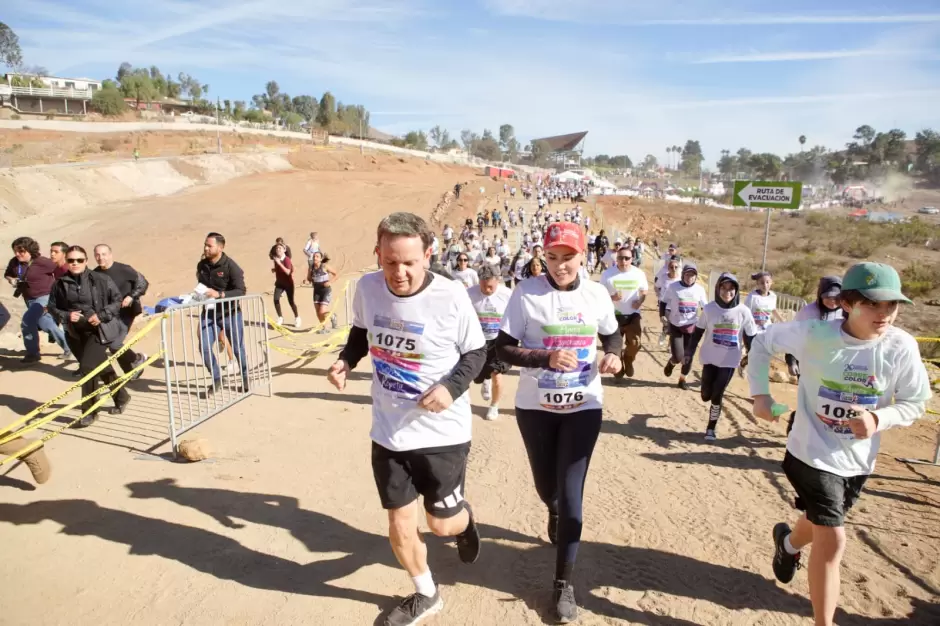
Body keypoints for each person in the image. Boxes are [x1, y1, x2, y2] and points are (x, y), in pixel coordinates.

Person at [747, 262, 931, 626]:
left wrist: (879, 419)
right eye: (873, 304)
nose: (884, 314)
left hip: (857, 461)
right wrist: (760, 395)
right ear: (846, 303)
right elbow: (763, 342)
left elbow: (915, 402)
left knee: (820, 522)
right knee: (833, 538)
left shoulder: (901, 347)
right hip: (808, 452)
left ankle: (787, 545)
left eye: (891, 306)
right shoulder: (815, 334)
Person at [326, 212, 487, 626]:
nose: (398, 273)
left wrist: (450, 389)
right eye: (390, 261)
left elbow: (476, 354)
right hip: (389, 429)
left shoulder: (451, 296)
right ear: (378, 253)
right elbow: (361, 333)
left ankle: (464, 522)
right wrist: (345, 361)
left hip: (442, 432)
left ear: (428, 255)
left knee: (441, 525)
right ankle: (426, 593)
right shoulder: (367, 287)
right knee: (399, 521)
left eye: (409, 263)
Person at [494, 221, 622, 622]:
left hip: (584, 405)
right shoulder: (526, 293)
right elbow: (503, 349)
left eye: (568, 258)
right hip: (536, 407)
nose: (560, 266)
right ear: (543, 257)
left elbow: (612, 335)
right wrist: (543, 357)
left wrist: (614, 356)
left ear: (583, 256)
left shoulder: (597, 294)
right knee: (546, 488)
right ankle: (552, 506)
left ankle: (563, 585)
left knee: (572, 498)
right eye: (552, 258)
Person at [48, 246, 131, 426]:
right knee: (99, 367)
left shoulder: (101, 279)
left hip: (98, 332)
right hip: (75, 334)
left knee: (87, 368)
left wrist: (100, 316)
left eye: (79, 260)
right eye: (71, 260)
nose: (75, 263)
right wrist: (66, 316)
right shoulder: (60, 284)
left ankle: (90, 412)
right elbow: (52, 307)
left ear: (86, 261)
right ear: (67, 262)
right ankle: (122, 396)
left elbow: (117, 300)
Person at [683, 273, 757, 440]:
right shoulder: (709, 309)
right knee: (705, 395)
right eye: (723, 288)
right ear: (717, 289)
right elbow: (697, 334)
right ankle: (708, 403)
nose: (727, 292)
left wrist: (752, 356)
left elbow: (751, 338)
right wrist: (689, 353)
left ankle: (711, 428)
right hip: (709, 357)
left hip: (729, 360)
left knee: (717, 394)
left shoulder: (744, 312)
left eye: (731, 289)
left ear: (736, 291)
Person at [4, 237, 72, 364]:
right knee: (47, 325)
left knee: (27, 320)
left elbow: (63, 270)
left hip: (45, 296)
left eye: (21, 251)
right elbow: (7, 274)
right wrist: (11, 279)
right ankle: (69, 348)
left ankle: (32, 353)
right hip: (29, 299)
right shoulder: (14, 262)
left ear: (30, 250)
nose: (18, 254)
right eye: (15, 251)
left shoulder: (43, 262)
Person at [196, 233, 249, 391]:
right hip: (209, 314)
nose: (206, 248)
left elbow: (241, 290)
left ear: (220, 247)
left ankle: (245, 376)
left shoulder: (232, 267)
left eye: (209, 246)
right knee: (204, 347)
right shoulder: (202, 266)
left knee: (238, 348)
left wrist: (220, 295)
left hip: (230, 314)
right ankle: (217, 378)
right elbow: (201, 285)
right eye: (205, 245)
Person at [93, 244, 150, 378]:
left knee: (115, 344)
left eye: (104, 254)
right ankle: (131, 371)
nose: (101, 258)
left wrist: (131, 296)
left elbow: (143, 283)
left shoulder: (124, 269)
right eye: (97, 255)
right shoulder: (95, 274)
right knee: (111, 343)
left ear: (110, 254)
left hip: (126, 312)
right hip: (109, 314)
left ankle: (137, 359)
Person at [467, 264, 512, 421]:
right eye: (483, 286)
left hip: (499, 340)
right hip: (477, 341)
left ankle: (494, 406)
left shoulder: (507, 295)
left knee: (497, 375)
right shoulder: (469, 294)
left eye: (490, 286)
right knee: (476, 375)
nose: (487, 290)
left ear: (498, 281)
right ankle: (485, 380)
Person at [600, 245, 648, 378]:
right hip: (613, 315)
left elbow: (644, 291)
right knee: (615, 345)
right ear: (617, 258)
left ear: (632, 259)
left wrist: (640, 301)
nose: (624, 261)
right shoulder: (607, 274)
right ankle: (618, 362)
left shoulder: (639, 273)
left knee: (635, 343)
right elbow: (599, 295)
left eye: (627, 258)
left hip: (633, 315)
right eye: (621, 258)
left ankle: (628, 359)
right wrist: (612, 298)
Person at [660, 263, 708, 390]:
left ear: (696, 277)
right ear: (683, 275)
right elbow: (663, 301)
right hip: (676, 325)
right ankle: (671, 362)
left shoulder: (700, 290)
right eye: (687, 274)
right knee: (678, 356)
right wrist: (662, 315)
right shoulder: (673, 287)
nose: (690, 277)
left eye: (693, 275)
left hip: (691, 326)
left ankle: (682, 379)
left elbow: (705, 307)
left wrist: (708, 320)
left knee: (688, 356)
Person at [271, 243, 300, 328]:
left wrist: (279, 264)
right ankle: (280, 317)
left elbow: (288, 272)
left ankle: (297, 317)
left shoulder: (287, 260)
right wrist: (275, 269)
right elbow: (279, 269)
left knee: (291, 302)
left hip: (288, 284)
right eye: (277, 249)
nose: (278, 250)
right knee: (276, 299)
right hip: (279, 283)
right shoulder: (276, 259)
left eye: (280, 248)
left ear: (284, 250)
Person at [308, 251, 338, 333]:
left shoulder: (324, 266)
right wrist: (307, 280)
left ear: (321, 259)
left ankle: (332, 316)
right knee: (318, 312)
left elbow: (336, 274)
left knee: (322, 311)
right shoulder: (311, 267)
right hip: (316, 291)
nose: (315, 258)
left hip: (326, 291)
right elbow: (309, 278)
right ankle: (324, 327)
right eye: (314, 256)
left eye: (317, 256)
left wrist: (330, 282)